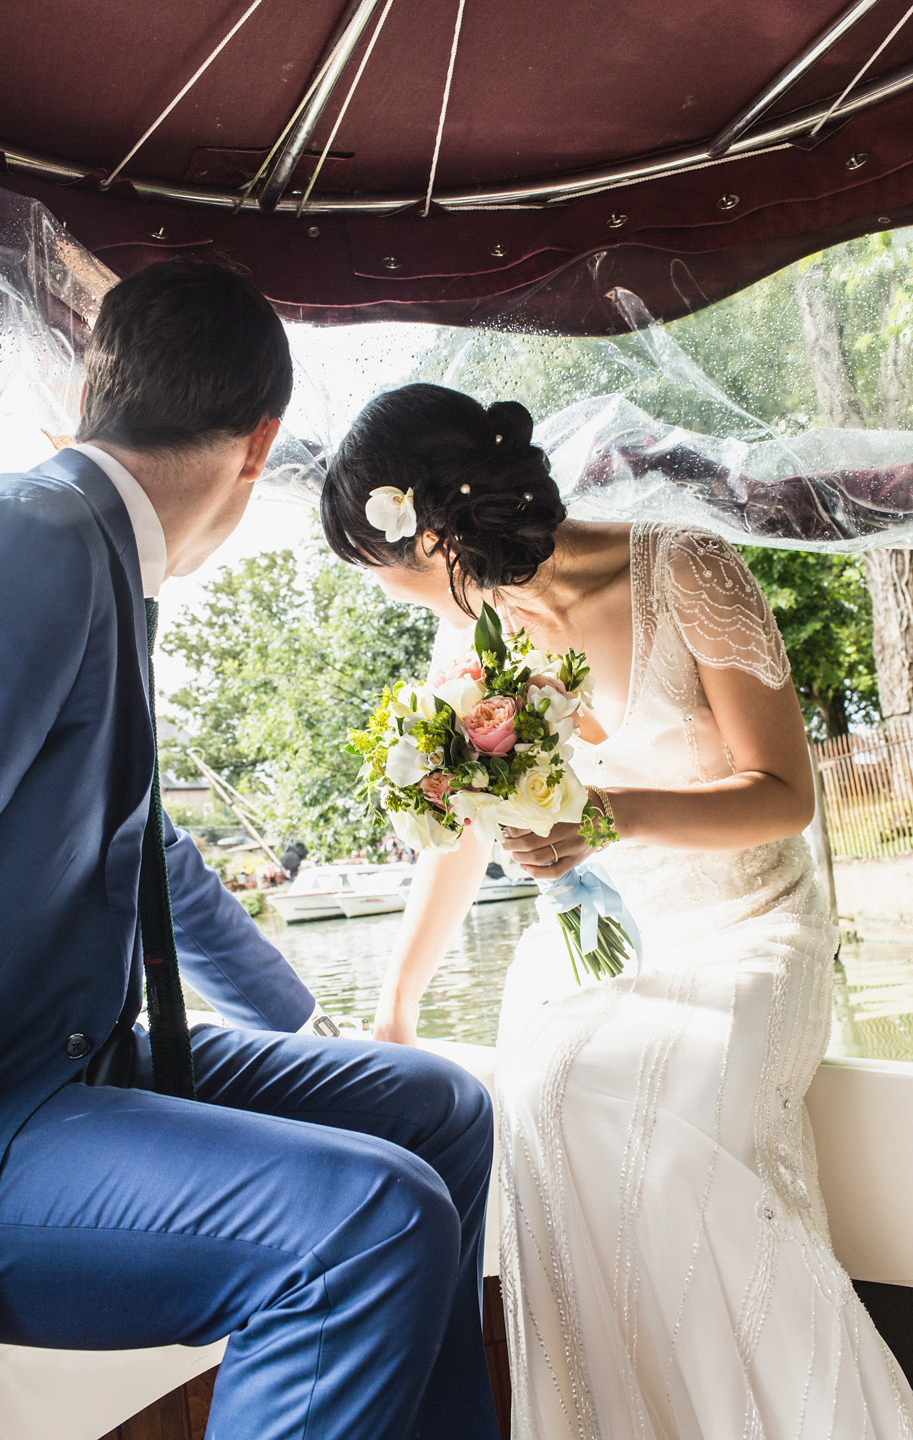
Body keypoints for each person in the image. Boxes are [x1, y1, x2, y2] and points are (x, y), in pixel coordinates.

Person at [0, 272, 500, 1440]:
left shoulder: (98, 559)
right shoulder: (26, 538)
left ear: (103, 388)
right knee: (371, 1221)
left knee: (438, 1109)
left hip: (74, 1066)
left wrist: (299, 1021)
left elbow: (152, 849)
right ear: (260, 447)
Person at [320, 382, 913, 1439]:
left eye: (396, 576)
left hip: (749, 926)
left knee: (634, 1114)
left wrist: (609, 814)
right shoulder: (473, 634)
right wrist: (398, 1008)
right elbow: (459, 841)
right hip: (597, 949)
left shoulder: (681, 565)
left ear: (442, 532)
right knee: (543, 1093)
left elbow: (785, 797)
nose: (402, 603)